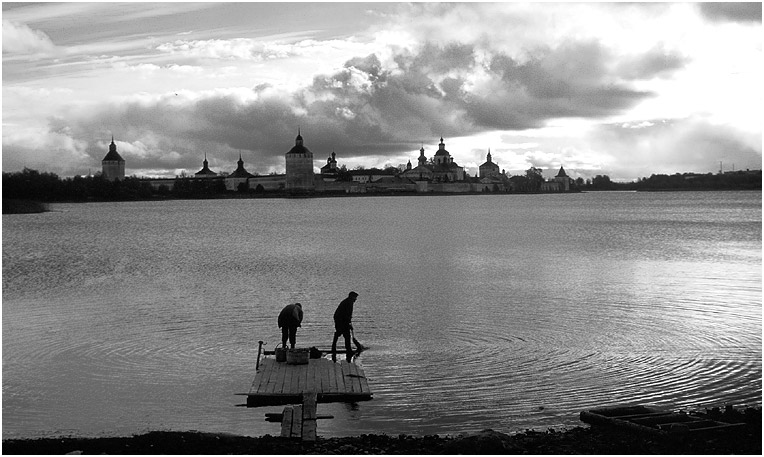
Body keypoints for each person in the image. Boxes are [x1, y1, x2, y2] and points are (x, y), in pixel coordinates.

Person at [332, 291, 358, 361]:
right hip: (340, 319)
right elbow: (347, 315)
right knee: (346, 335)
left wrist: (349, 323)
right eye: (355, 298)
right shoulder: (349, 303)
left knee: (341, 333)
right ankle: (348, 350)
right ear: (352, 297)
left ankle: (335, 347)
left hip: (340, 318)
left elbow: (348, 315)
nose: (356, 299)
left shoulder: (348, 302)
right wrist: (349, 324)